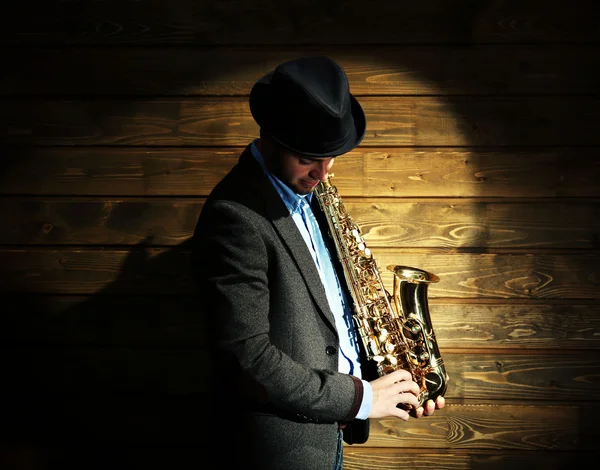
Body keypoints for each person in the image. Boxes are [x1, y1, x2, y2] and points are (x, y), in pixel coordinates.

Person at [191, 56, 445, 470]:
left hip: (328, 437)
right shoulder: (234, 216)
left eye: (332, 157)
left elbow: (331, 316)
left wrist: (394, 383)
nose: (322, 173)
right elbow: (246, 360)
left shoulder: (316, 194)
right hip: (275, 451)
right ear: (270, 135)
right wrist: (361, 398)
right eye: (308, 157)